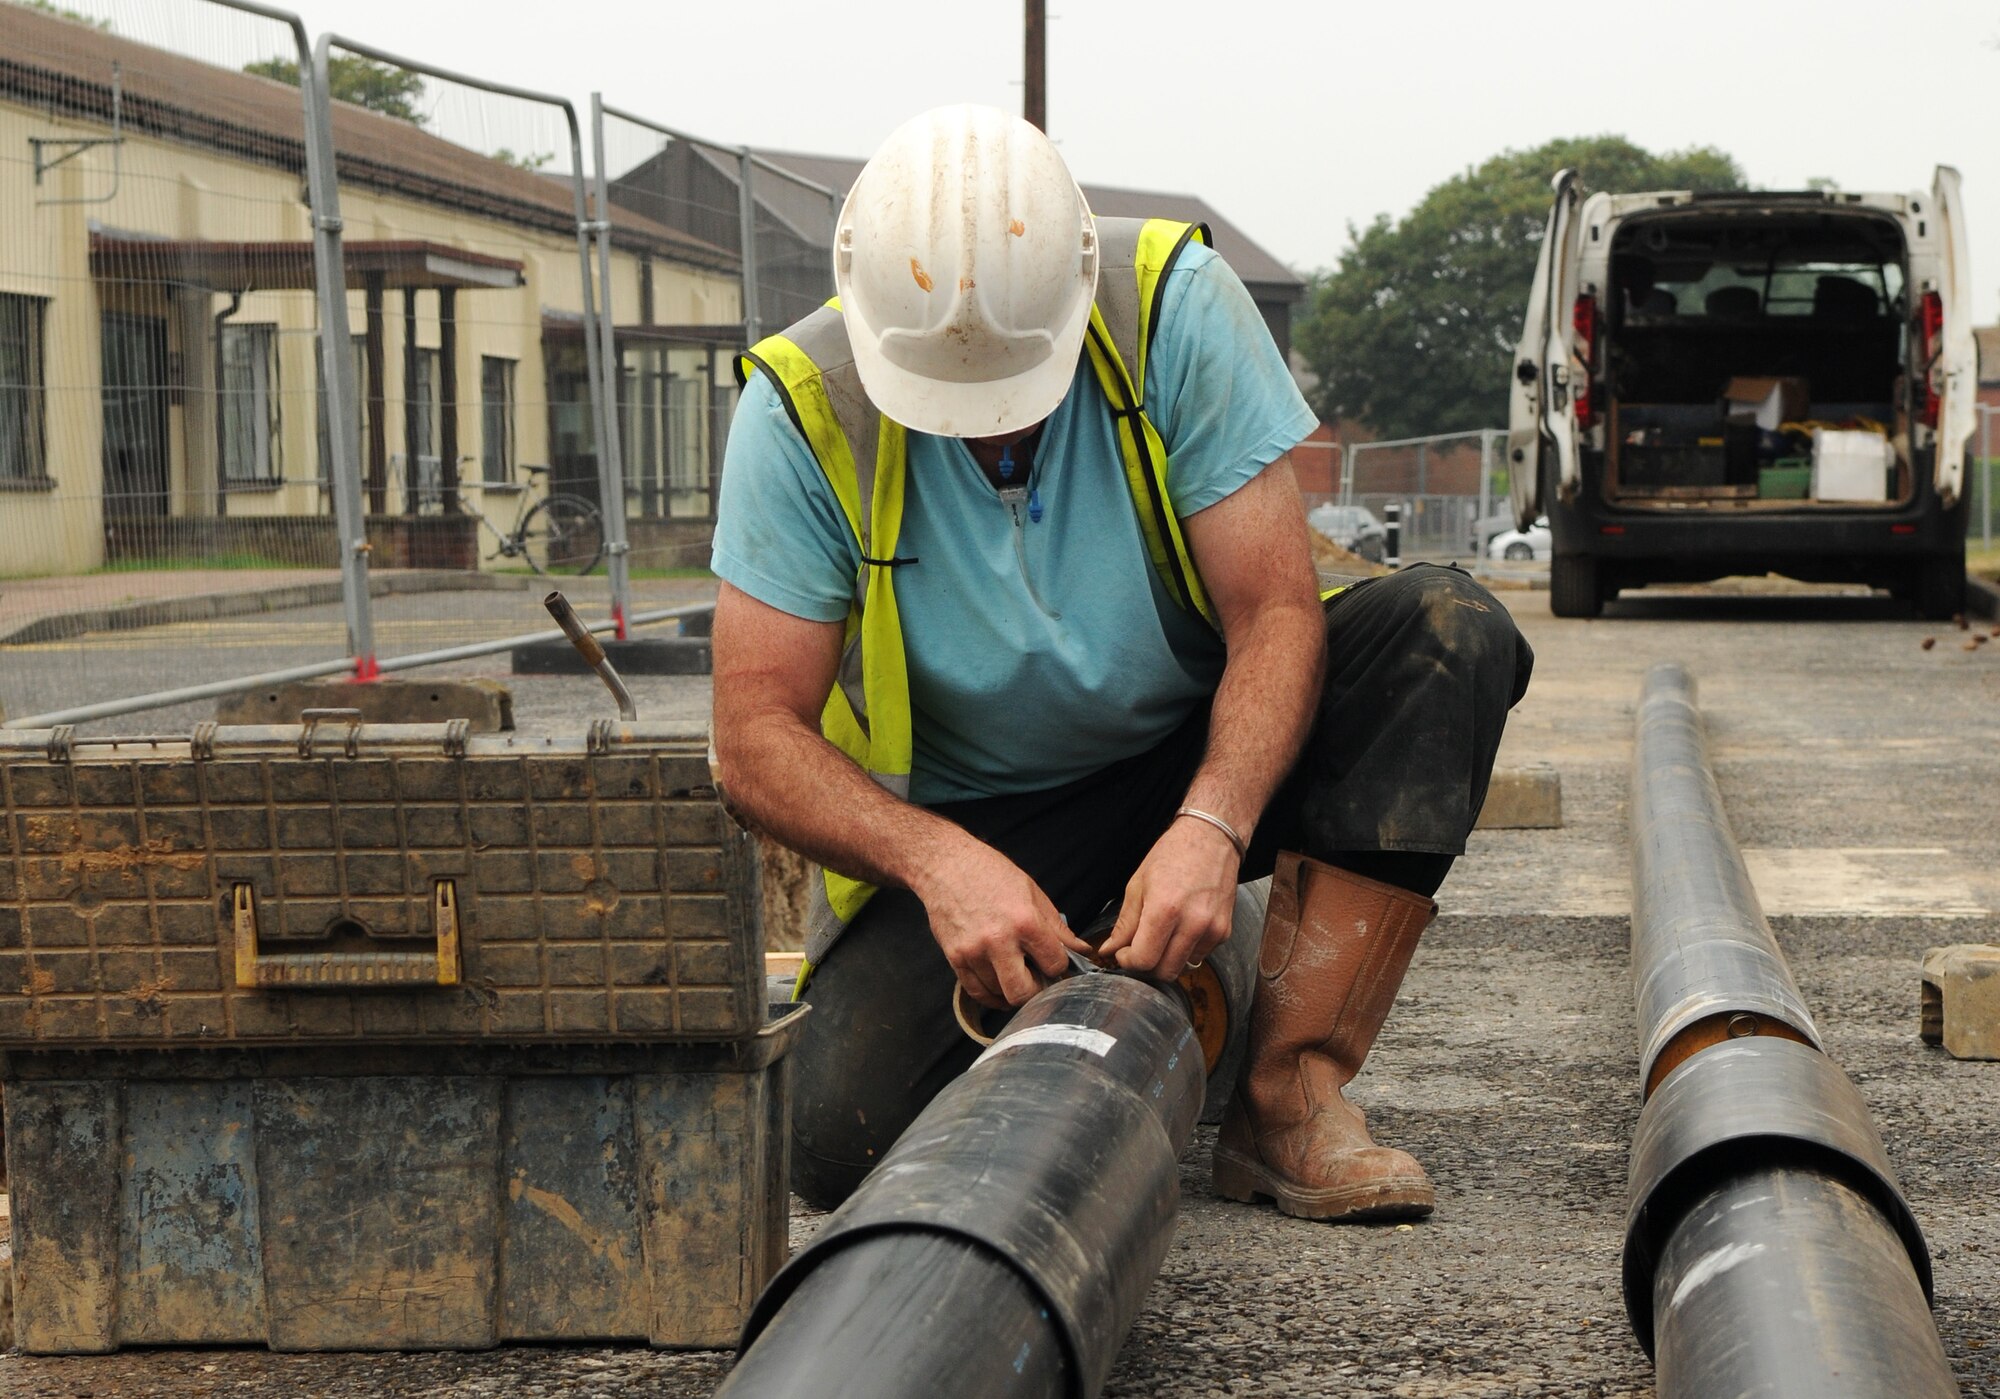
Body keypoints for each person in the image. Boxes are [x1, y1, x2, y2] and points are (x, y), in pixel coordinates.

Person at [709, 105, 1532, 1222]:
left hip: (1190, 745)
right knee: (835, 1139)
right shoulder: (801, 406)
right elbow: (752, 734)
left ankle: (1287, 1096)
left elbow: (1276, 614)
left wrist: (1212, 824)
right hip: (981, 816)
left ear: (1075, 282)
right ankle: (1200, 951)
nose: (986, 436)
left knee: (1443, 634)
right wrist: (940, 865)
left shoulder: (1169, 306)